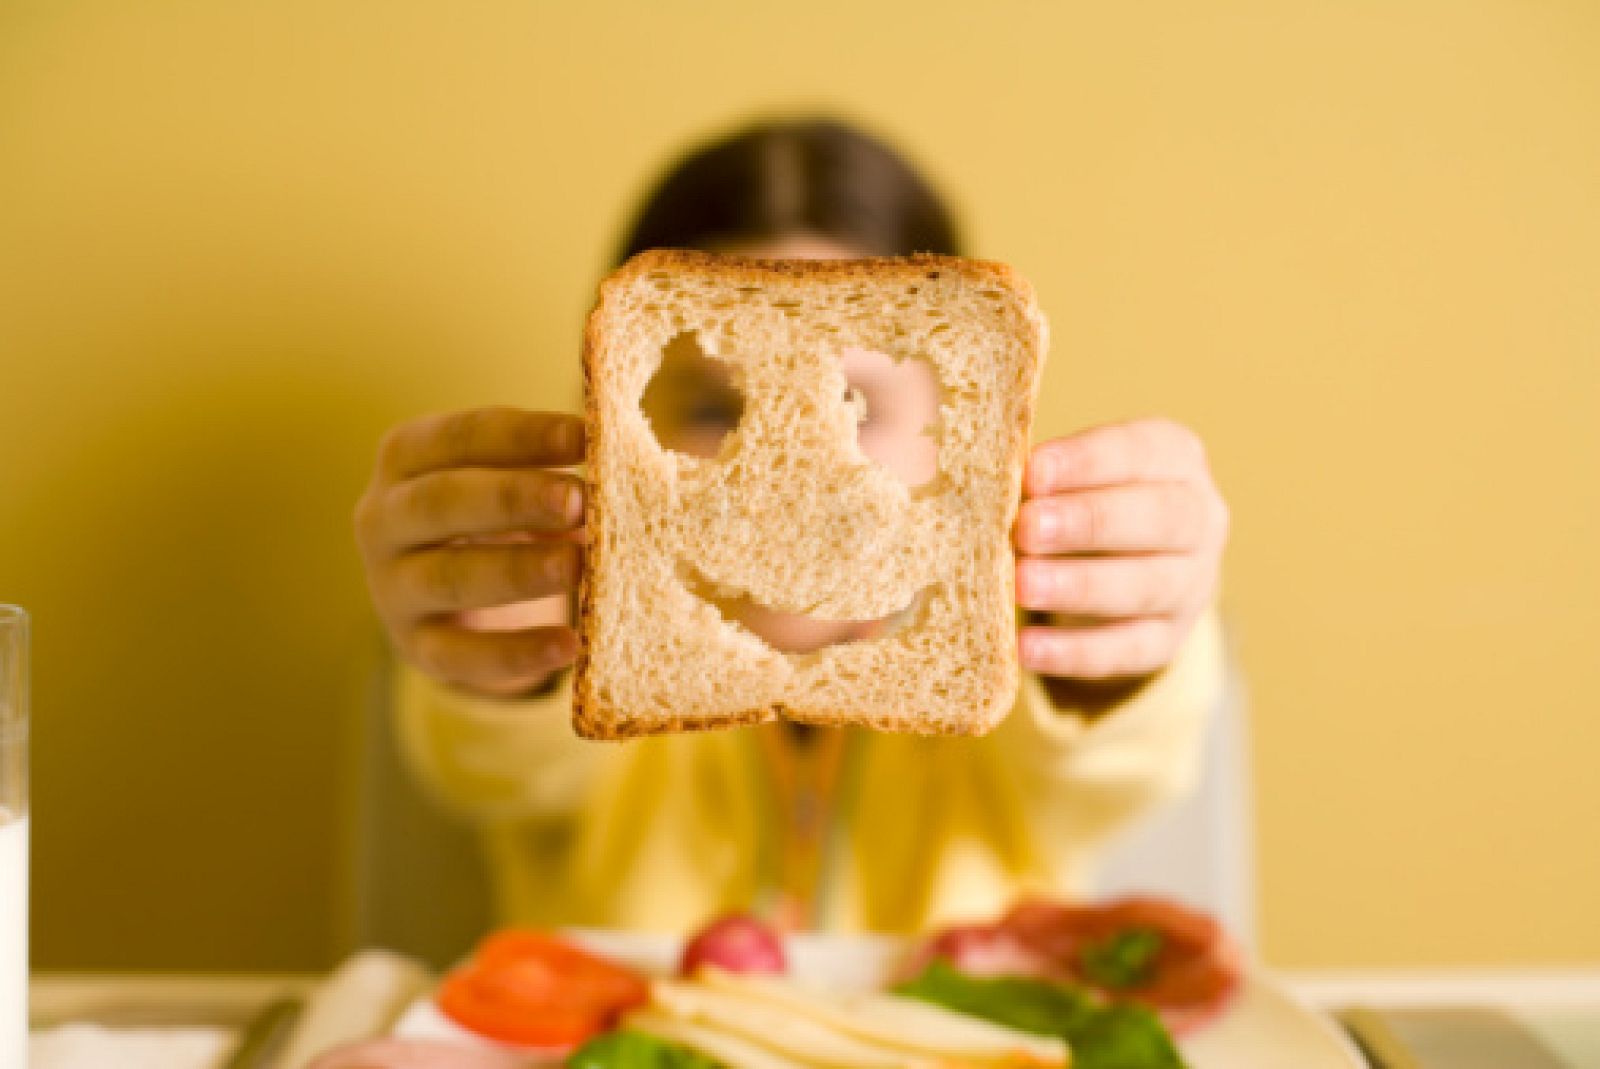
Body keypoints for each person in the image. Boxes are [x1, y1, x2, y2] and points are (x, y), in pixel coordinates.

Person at [353, 117, 1230, 934]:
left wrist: (1106, 639)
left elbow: (1112, 761)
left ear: (963, 424)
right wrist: (506, 657)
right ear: (616, 417)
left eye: (859, 406)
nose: (792, 483)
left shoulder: (1004, 676)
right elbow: (498, 766)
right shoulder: (594, 650)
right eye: (712, 409)